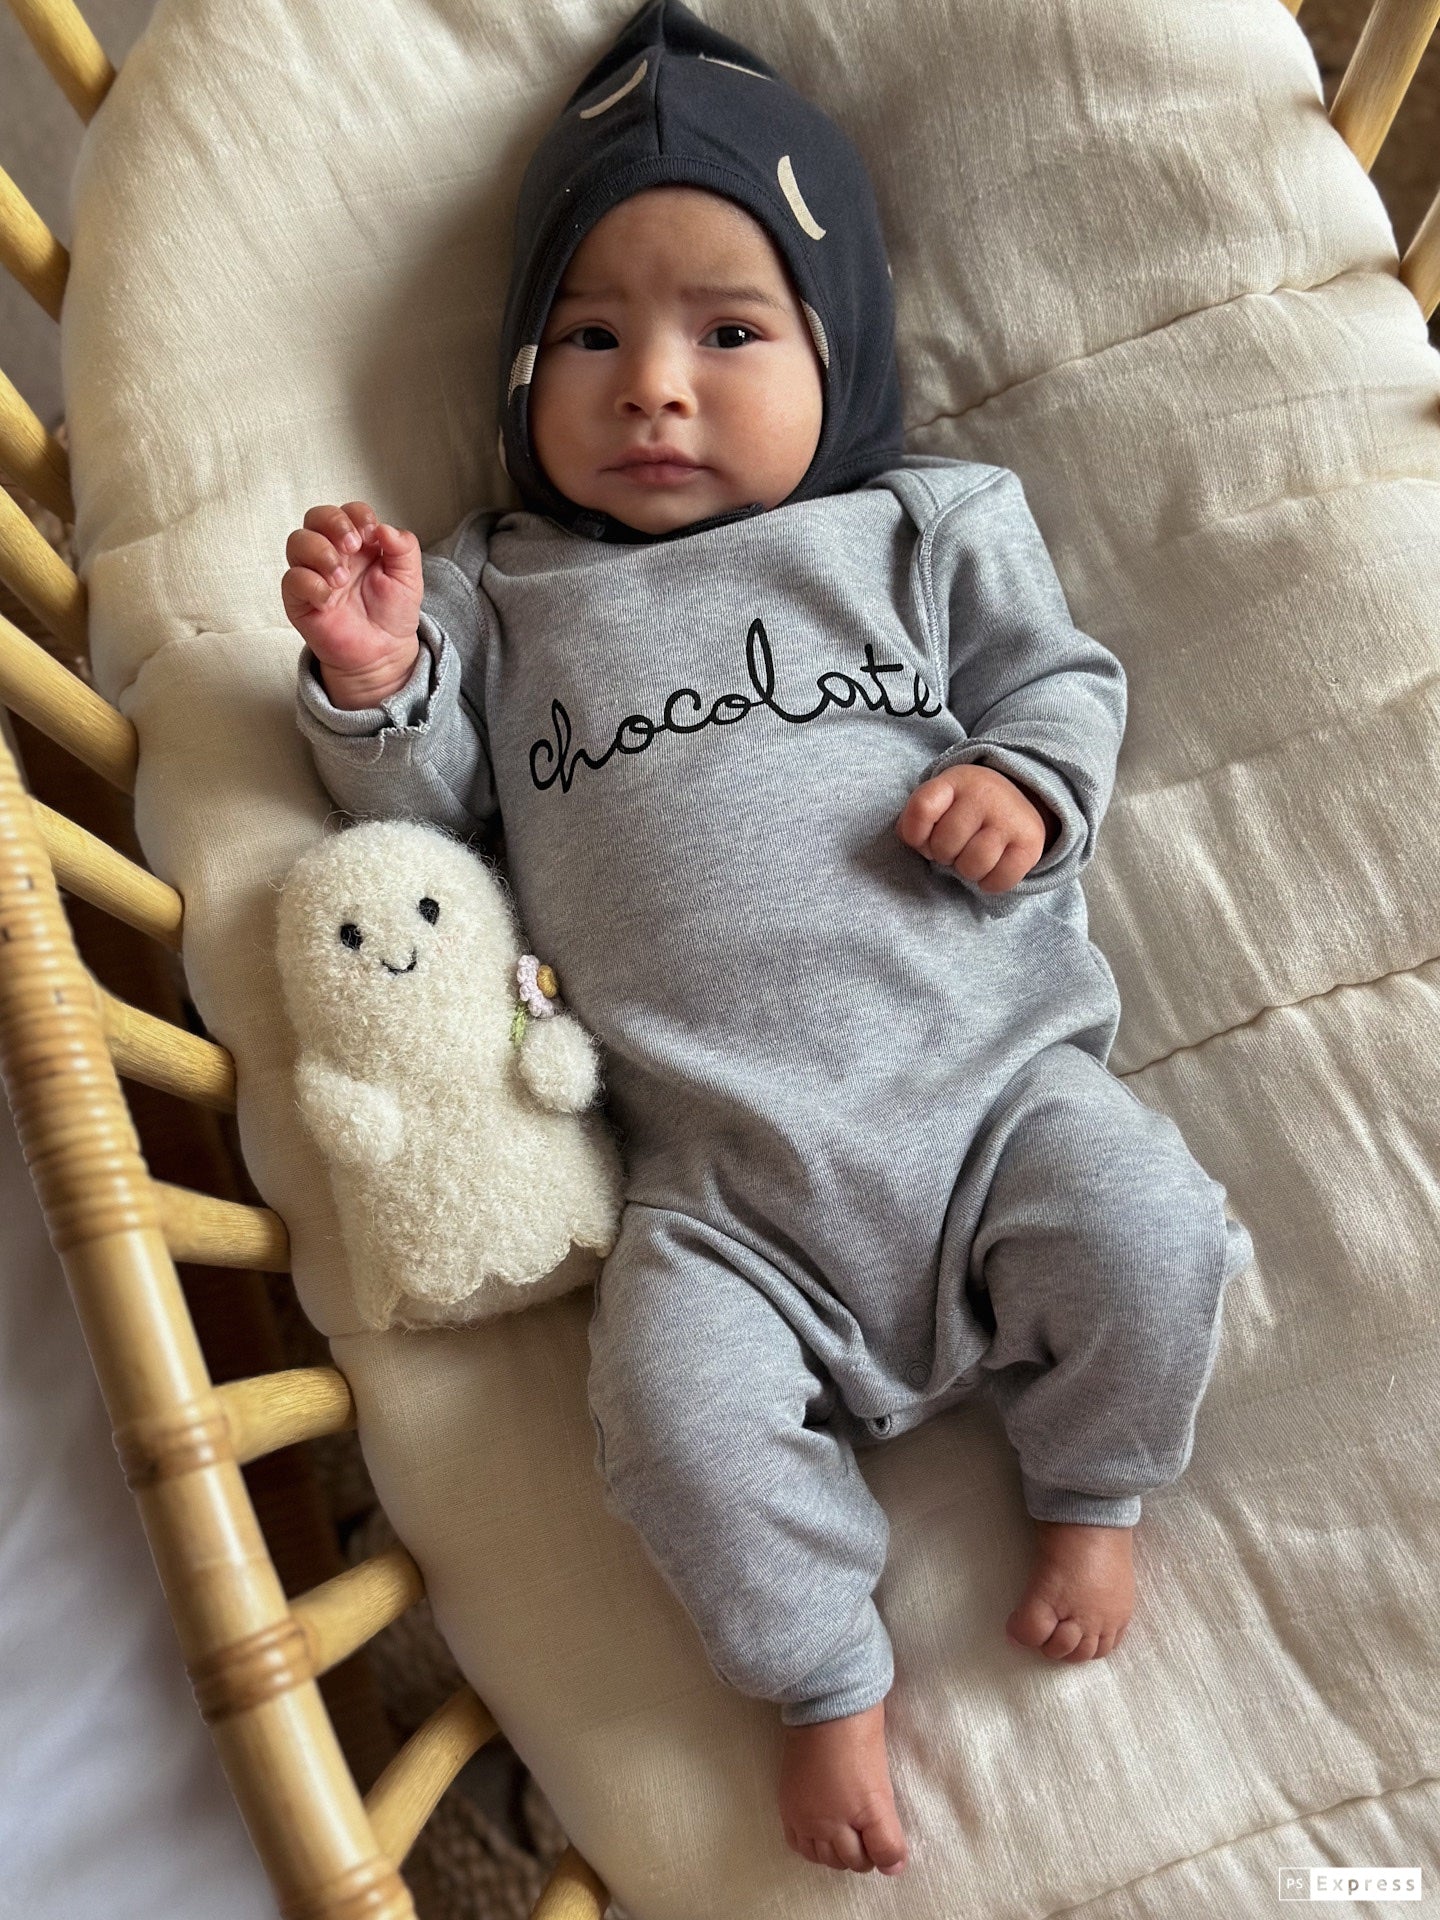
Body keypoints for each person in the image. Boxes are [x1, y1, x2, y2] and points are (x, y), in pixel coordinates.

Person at [282, 0, 1254, 1879]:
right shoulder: (511, 586)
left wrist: (1029, 788)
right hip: (717, 1190)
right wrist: (377, 674)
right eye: (591, 335)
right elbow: (422, 833)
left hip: (990, 1103)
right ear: (516, 381)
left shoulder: (916, 524)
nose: (654, 385)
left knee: (1148, 1229)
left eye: (730, 333)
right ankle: (822, 1678)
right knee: (663, 1412)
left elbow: (1063, 678)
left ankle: (1094, 1482)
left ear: (847, 353)